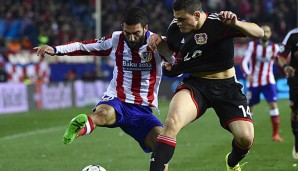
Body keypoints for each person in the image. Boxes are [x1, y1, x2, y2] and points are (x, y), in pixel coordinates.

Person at [35, 7, 174, 170]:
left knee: (162, 148)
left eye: (136, 33)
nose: (131, 37)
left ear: (146, 28)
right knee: (103, 114)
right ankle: (82, 125)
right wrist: (56, 50)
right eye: (127, 32)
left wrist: (165, 48)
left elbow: (175, 62)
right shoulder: (117, 39)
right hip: (117, 99)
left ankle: (86, 124)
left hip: (142, 110)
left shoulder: (158, 44)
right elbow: (84, 46)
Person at [147, 0, 264, 170]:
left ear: (196, 14)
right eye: (176, 19)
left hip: (227, 87)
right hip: (196, 85)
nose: (178, 23)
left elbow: (259, 32)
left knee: (245, 138)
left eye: (182, 19)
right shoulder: (175, 28)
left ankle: (232, 162)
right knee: (171, 123)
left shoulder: (220, 22)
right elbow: (172, 53)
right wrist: (160, 41)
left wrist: (236, 23)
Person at [241, 24, 283, 142]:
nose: (266, 33)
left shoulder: (274, 47)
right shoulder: (252, 46)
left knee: (273, 105)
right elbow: (244, 62)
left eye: (268, 31)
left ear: (270, 34)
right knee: (249, 109)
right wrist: (247, 74)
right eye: (263, 31)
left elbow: (279, 60)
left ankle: (275, 134)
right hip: (253, 82)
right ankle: (248, 135)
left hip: (268, 81)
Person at [276, 28, 297, 159]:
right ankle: (297, 141)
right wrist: (285, 67)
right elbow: (280, 56)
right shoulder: (293, 34)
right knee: (295, 112)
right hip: (296, 78)